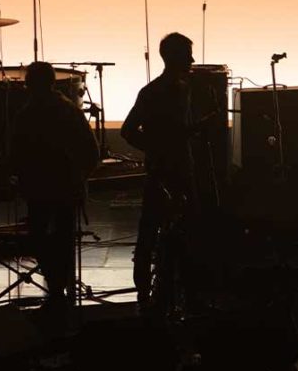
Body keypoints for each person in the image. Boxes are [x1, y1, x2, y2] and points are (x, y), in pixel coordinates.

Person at [11, 62, 100, 303]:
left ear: (29, 85)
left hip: (39, 186)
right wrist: (80, 178)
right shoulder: (69, 110)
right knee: (65, 235)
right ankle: (63, 284)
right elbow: (92, 151)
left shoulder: (26, 115)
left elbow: (16, 155)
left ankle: (54, 282)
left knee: (39, 234)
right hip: (66, 184)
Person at [122, 33, 198, 310]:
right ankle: (153, 289)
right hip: (169, 170)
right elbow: (128, 130)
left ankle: (146, 288)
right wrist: (160, 147)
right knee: (156, 228)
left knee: (152, 228)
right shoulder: (159, 92)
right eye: (187, 54)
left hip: (171, 168)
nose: (192, 60)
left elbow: (130, 132)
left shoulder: (172, 89)